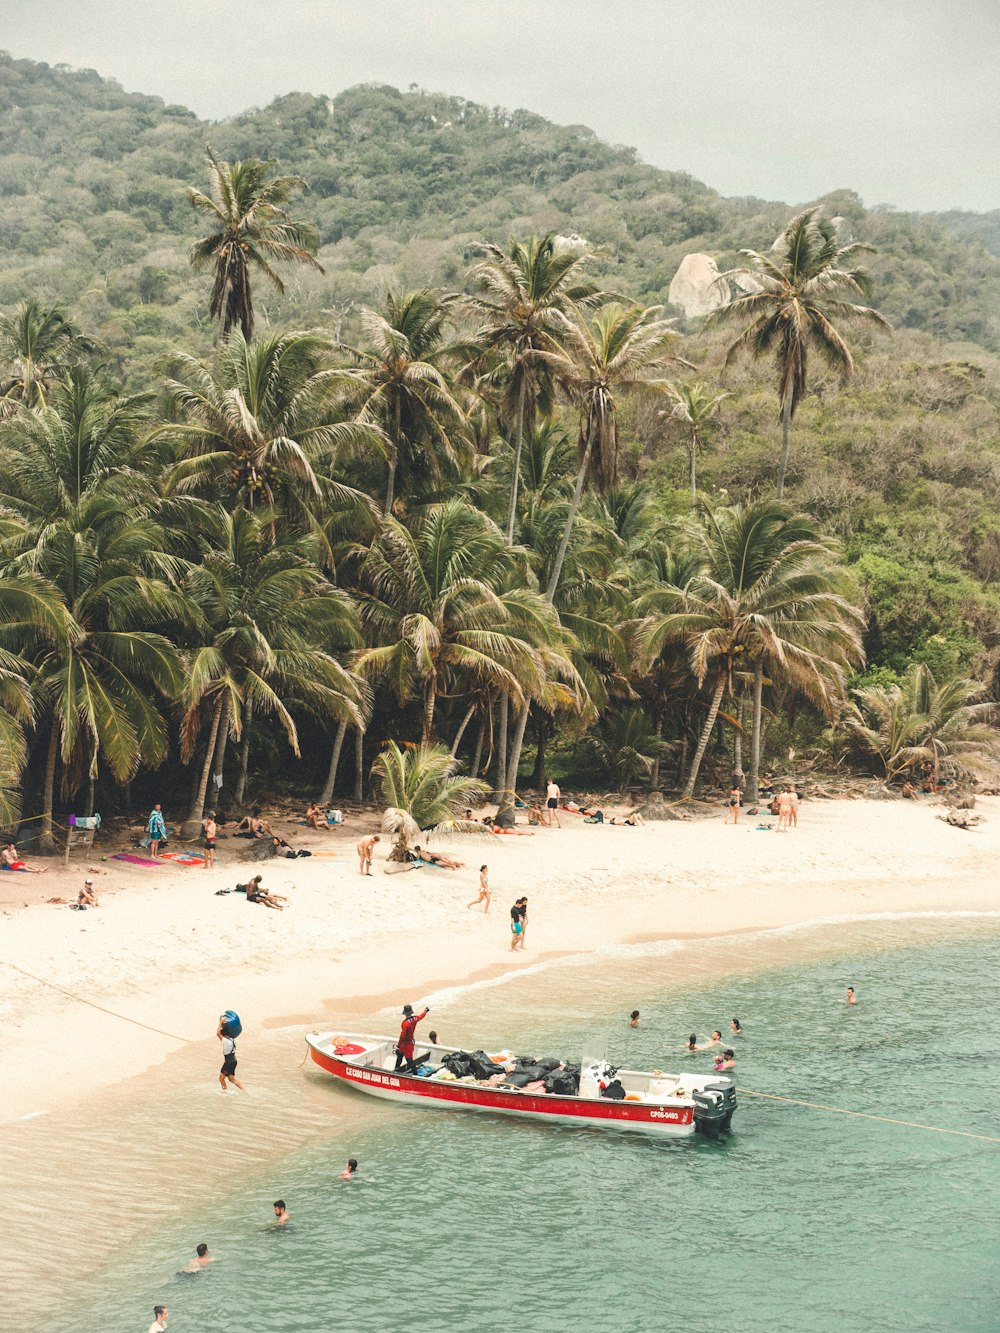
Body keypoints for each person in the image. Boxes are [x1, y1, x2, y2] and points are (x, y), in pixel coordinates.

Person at [395, 1003, 429, 1073]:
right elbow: (421, 1016)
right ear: (411, 1012)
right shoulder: (415, 1018)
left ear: (404, 1013)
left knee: (409, 1060)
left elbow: (402, 1036)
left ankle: (415, 1074)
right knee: (400, 1055)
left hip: (406, 1044)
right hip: (410, 1041)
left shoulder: (405, 1023)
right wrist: (425, 1011)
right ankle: (396, 1070)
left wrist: (398, 1045)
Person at [219, 1027, 245, 1091]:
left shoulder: (226, 1041)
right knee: (231, 1079)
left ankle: (224, 1092)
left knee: (221, 1078)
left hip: (228, 1062)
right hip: (233, 1061)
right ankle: (244, 1089)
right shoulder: (232, 1039)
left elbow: (217, 1033)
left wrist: (221, 1022)